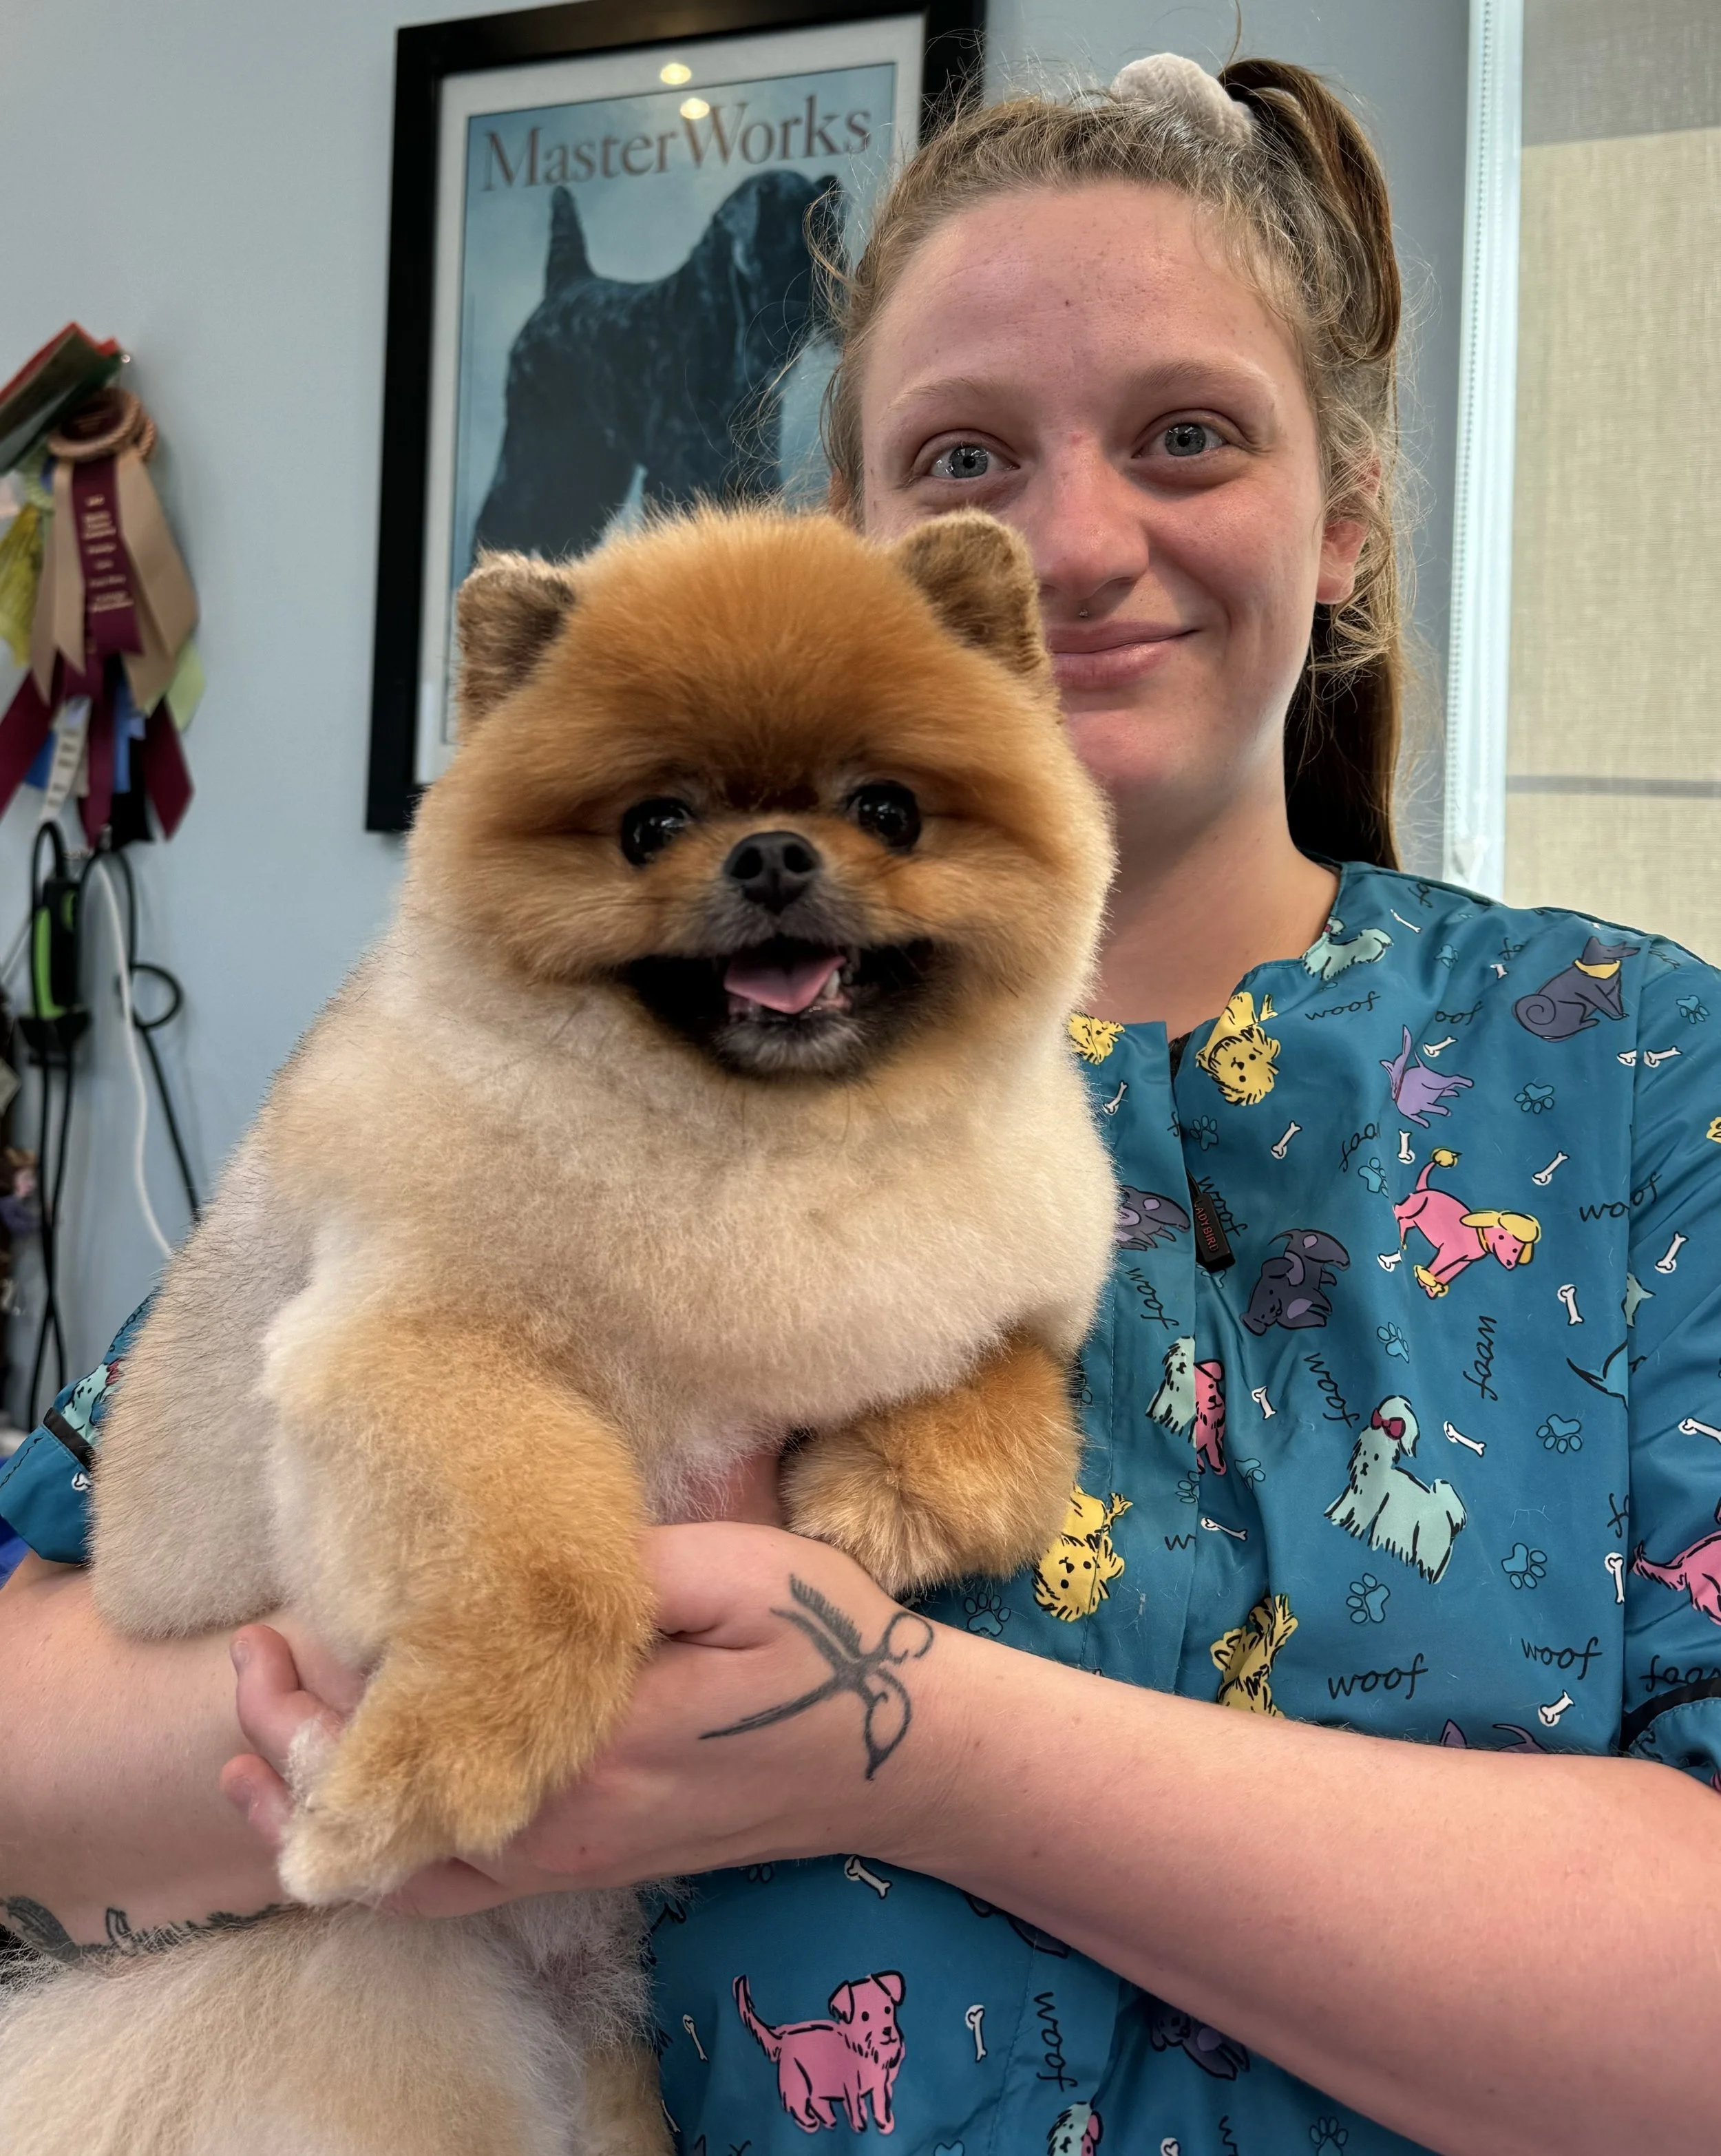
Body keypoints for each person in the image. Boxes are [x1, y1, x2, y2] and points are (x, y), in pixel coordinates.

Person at [4, 52, 1721, 2155]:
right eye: (966, 455)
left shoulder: (1630, 1070)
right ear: (858, 549)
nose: (1078, 537)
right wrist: (420, 1689)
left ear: (1345, 515)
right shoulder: (482, 1049)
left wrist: (900, 1746)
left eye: (1186, 437)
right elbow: (47, 1699)